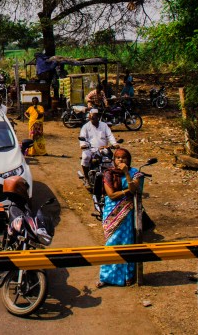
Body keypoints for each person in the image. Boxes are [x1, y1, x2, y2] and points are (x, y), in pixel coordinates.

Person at [97, 148, 144, 288]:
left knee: (126, 243)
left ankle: (126, 276)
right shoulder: (108, 173)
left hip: (127, 213)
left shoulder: (136, 173)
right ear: (114, 160)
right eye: (118, 158)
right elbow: (111, 195)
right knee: (111, 244)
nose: (121, 160)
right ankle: (106, 277)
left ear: (129, 160)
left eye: (124, 158)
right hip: (111, 213)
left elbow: (135, 189)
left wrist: (126, 174)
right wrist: (126, 191)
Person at [79, 109, 117, 185]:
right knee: (85, 157)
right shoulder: (85, 127)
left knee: (111, 161)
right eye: (91, 117)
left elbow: (110, 135)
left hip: (103, 148)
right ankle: (87, 178)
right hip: (90, 149)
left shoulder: (104, 125)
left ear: (98, 117)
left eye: (94, 117)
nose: (92, 118)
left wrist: (114, 143)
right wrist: (83, 145)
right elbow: (82, 137)